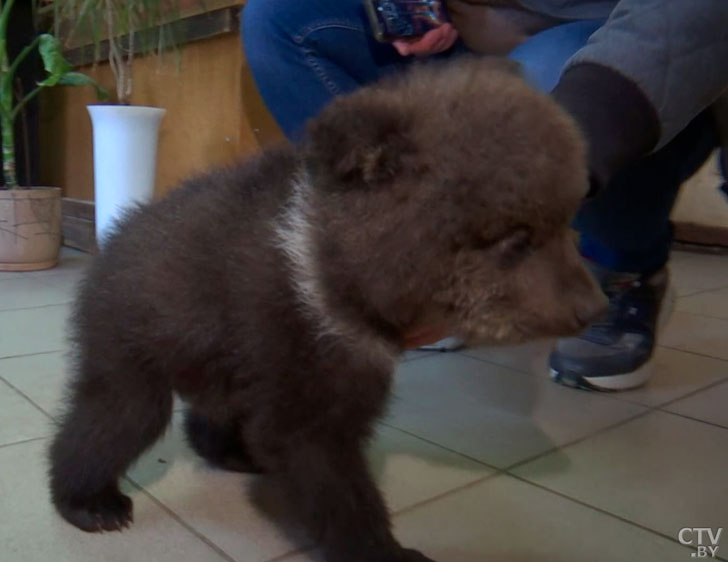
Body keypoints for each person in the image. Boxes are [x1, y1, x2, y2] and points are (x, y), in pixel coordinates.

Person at [241, 0, 728, 391]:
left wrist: (545, 157)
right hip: (465, 23)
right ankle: (408, 265)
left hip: (605, 31)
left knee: (536, 93)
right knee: (276, 19)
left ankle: (623, 266)